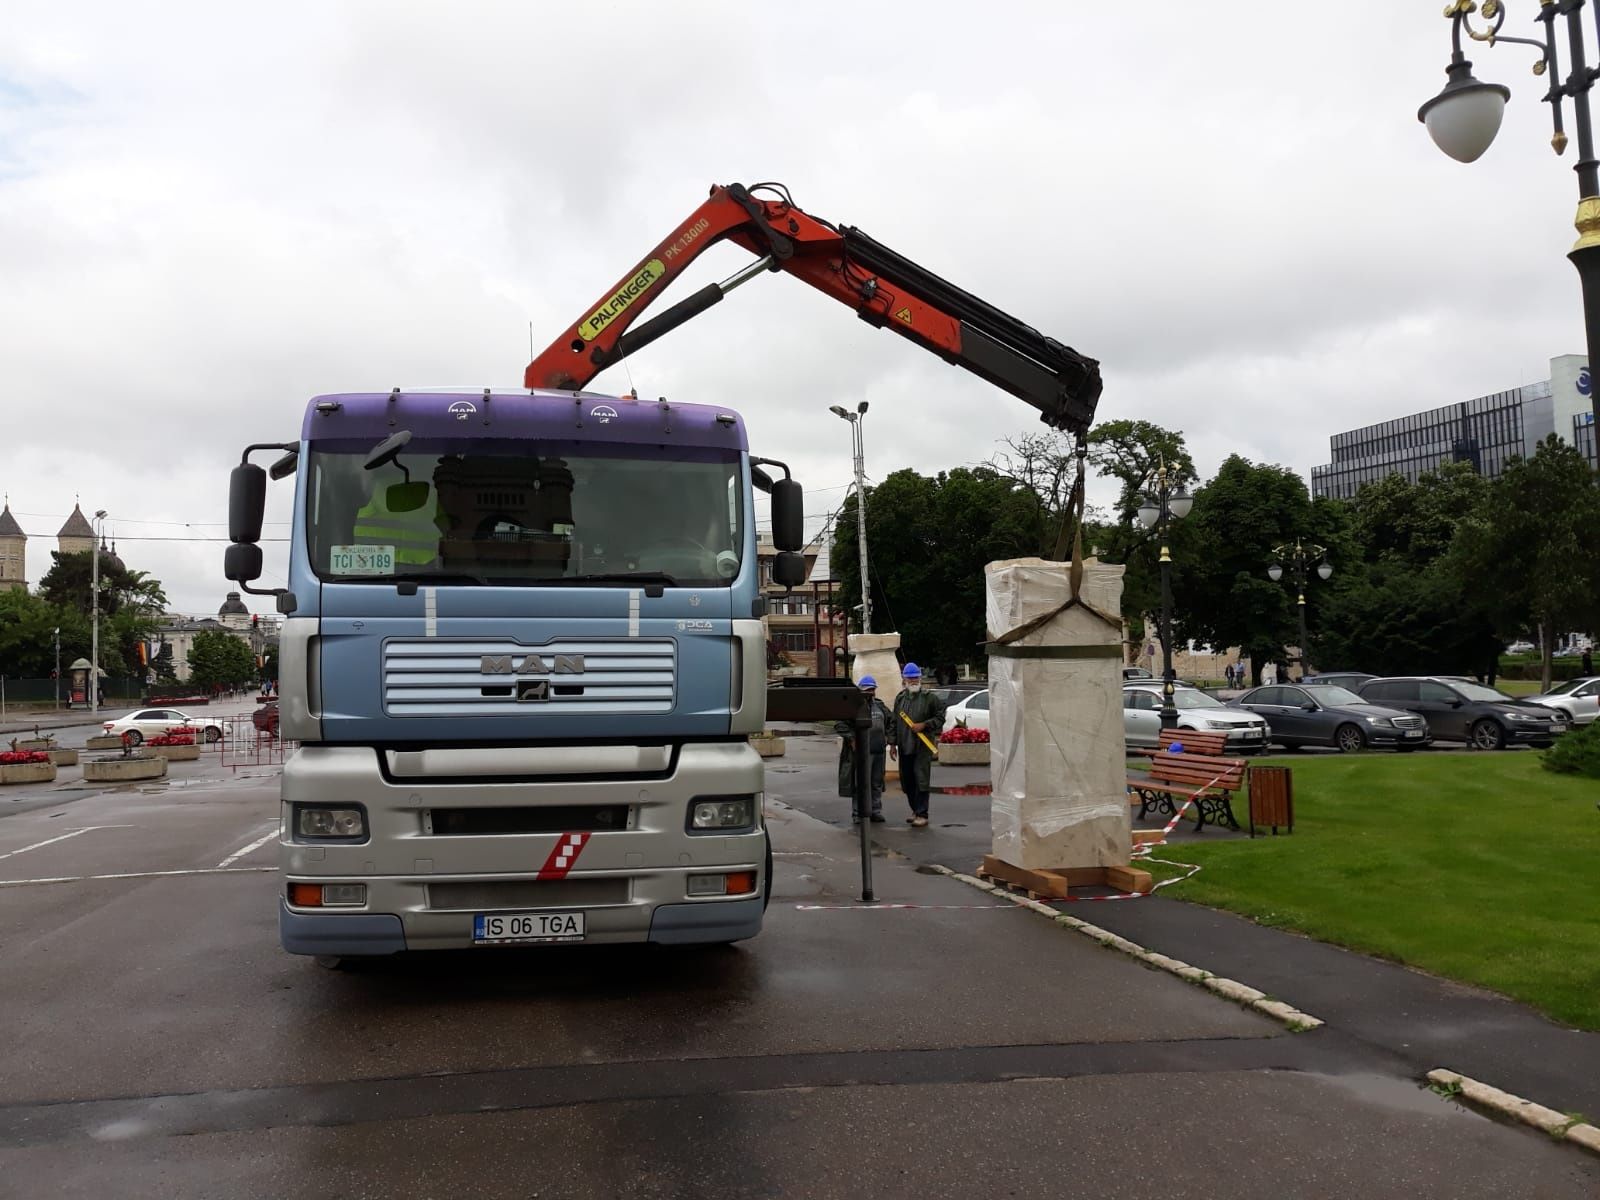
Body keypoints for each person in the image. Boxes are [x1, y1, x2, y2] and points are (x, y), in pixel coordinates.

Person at [890, 662, 946, 828]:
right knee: (907, 781)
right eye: (910, 678)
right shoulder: (900, 698)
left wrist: (925, 725)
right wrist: (892, 743)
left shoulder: (930, 698)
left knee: (921, 779)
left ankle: (922, 813)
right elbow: (894, 722)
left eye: (915, 678)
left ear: (920, 678)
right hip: (904, 745)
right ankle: (915, 810)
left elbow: (940, 717)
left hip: (922, 747)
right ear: (904, 680)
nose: (913, 681)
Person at [834, 676, 890, 823]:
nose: (870, 693)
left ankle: (875, 811)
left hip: (878, 751)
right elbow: (840, 724)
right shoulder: (853, 707)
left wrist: (890, 738)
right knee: (860, 783)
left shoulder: (880, 706)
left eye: (872, 690)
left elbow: (892, 722)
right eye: (867, 690)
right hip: (860, 754)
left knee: (876, 783)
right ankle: (858, 813)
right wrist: (851, 738)